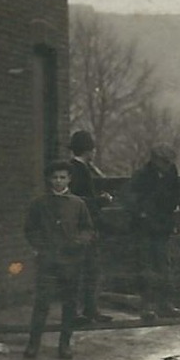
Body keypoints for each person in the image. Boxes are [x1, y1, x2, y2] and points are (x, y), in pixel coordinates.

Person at [24, 161, 96, 359]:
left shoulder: (78, 204)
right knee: (42, 303)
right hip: (48, 261)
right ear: (49, 179)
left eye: (62, 177)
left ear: (69, 179)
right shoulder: (40, 204)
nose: (58, 181)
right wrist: (41, 247)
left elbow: (88, 228)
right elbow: (30, 229)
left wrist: (79, 242)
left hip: (71, 261)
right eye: (55, 177)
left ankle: (65, 344)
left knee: (69, 303)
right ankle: (33, 344)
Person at [130, 144, 180, 322]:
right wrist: (142, 214)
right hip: (145, 229)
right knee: (146, 267)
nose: (167, 165)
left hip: (163, 226)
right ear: (155, 160)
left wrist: (168, 214)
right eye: (164, 162)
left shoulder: (171, 173)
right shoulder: (142, 176)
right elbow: (132, 200)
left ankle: (165, 303)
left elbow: (175, 194)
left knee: (164, 265)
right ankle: (148, 306)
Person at [67, 130, 114, 323]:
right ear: (89, 150)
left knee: (90, 268)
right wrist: (101, 200)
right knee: (83, 269)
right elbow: (79, 200)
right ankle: (78, 312)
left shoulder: (79, 168)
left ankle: (88, 309)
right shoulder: (78, 170)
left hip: (85, 226)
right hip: (82, 227)